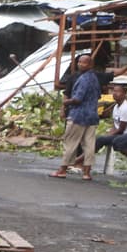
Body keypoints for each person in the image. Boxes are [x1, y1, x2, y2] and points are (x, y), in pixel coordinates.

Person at [50, 52, 101, 180]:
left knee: (70, 143)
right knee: (89, 145)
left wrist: (66, 102)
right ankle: (87, 172)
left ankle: (62, 169)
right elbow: (98, 96)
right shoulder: (94, 78)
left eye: (83, 62)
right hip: (92, 115)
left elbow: (78, 99)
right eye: (79, 62)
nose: (80, 65)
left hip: (78, 115)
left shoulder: (83, 79)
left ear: (90, 64)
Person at [94, 82, 127, 171]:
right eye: (114, 91)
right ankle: (83, 159)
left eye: (118, 91)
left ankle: (83, 160)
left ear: (124, 94)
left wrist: (108, 136)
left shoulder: (126, 108)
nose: (114, 93)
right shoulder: (116, 107)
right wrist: (109, 133)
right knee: (100, 139)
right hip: (121, 134)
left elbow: (121, 129)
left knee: (103, 140)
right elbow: (115, 125)